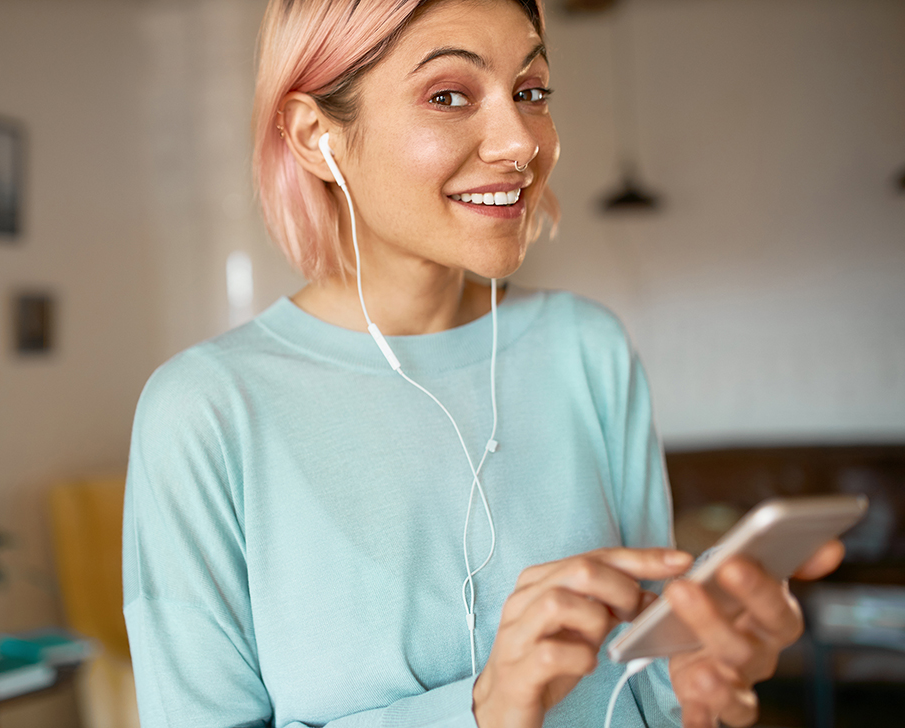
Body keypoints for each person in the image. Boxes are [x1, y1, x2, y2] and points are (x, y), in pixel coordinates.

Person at [122, 0, 843, 726]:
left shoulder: (587, 350)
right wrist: (481, 709)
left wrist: (706, 681)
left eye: (530, 93)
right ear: (317, 137)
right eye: (448, 96)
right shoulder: (204, 410)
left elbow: (647, 688)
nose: (520, 143)